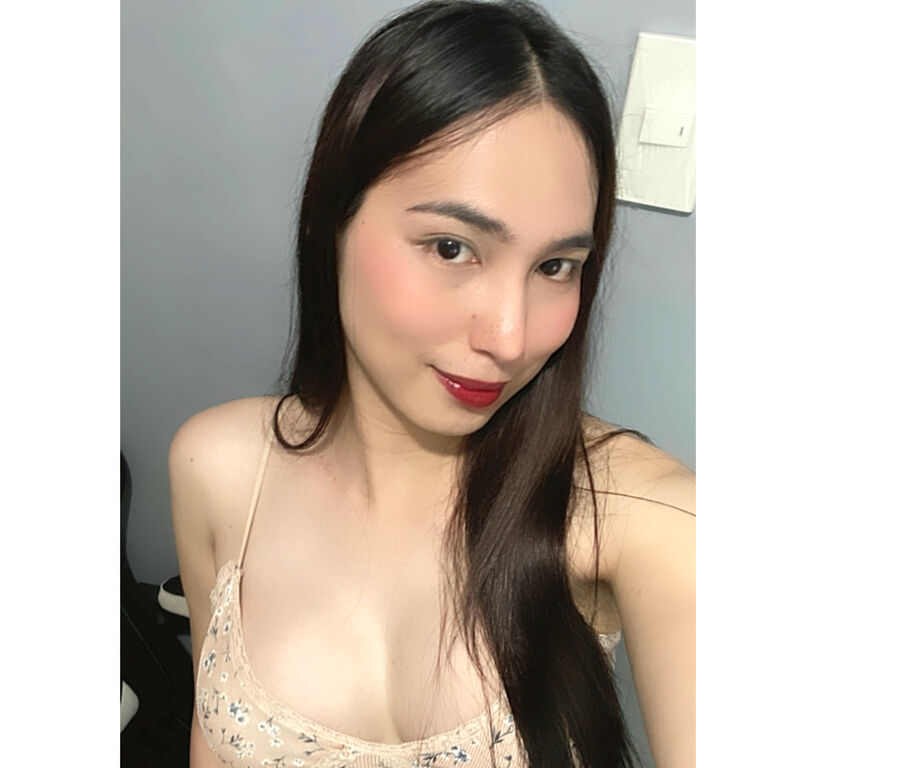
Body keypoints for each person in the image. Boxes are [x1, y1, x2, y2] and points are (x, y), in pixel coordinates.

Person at [169, 2, 694, 767]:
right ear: (329, 223)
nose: (510, 337)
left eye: (556, 267)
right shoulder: (216, 467)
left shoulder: (641, 515)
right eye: (452, 247)